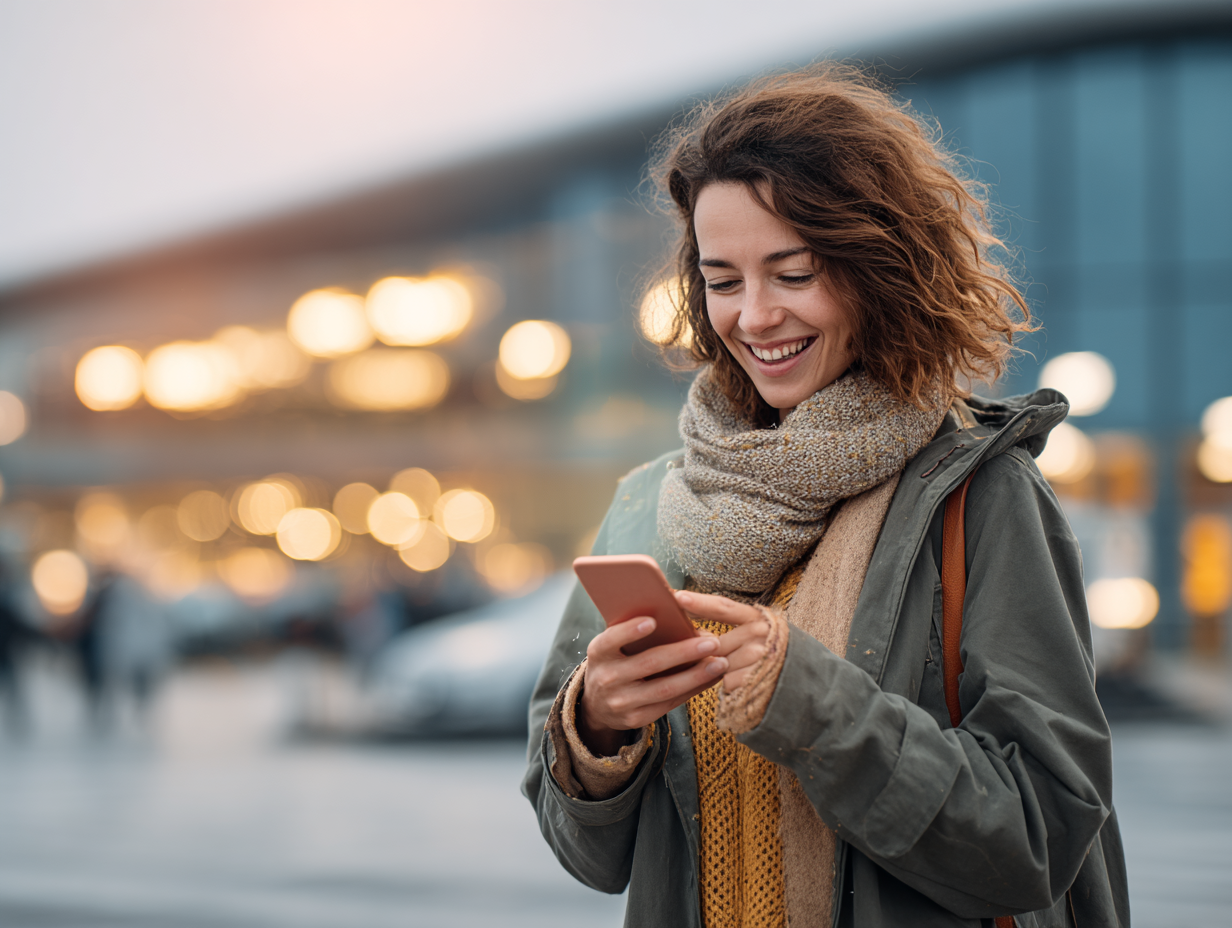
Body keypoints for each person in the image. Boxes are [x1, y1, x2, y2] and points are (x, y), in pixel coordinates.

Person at [522, 65, 1129, 928]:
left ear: (878, 268)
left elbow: (1037, 836)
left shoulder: (983, 494)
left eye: (794, 273)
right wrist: (598, 729)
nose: (755, 316)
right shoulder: (649, 503)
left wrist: (810, 703)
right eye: (723, 281)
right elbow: (584, 854)